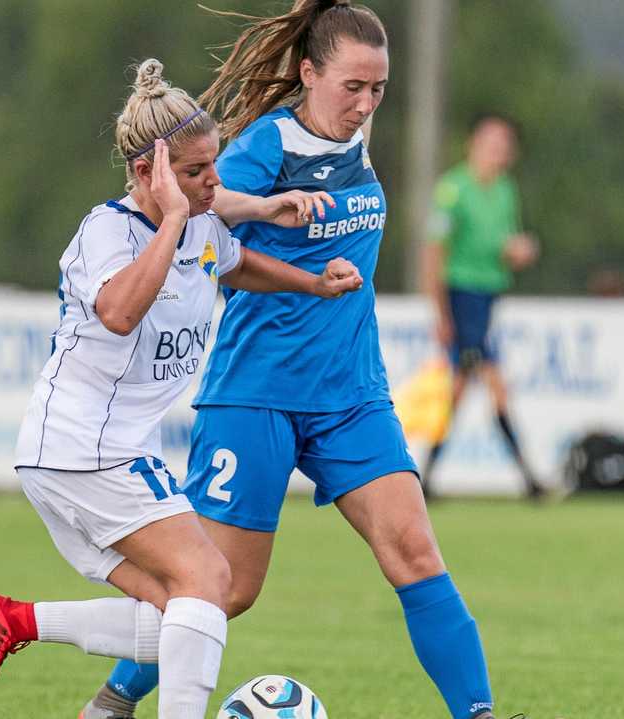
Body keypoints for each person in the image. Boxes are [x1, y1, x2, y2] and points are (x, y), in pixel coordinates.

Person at [96, 3, 506, 719]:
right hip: (256, 391)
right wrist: (266, 202)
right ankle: (109, 703)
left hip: (352, 393)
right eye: (352, 86)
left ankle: (479, 714)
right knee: (224, 588)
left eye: (378, 89)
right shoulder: (267, 143)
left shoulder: (357, 141)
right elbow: (201, 204)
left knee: (414, 550)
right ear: (309, 72)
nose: (366, 103)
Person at [0, 59, 363, 718]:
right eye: (195, 170)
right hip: (85, 447)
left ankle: (8, 619)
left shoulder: (201, 224)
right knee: (208, 578)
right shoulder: (106, 231)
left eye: (213, 167)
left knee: (187, 607)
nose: (212, 183)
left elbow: (236, 263)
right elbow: (119, 311)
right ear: (147, 171)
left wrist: (311, 282)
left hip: (90, 452)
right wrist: (174, 219)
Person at [419, 113, 542, 499]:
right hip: (462, 296)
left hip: (488, 298)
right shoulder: (453, 189)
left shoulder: (505, 190)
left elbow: (502, 243)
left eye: (504, 147)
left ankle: (427, 476)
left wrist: (517, 251)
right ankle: (529, 479)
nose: (499, 154)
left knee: (460, 387)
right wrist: (439, 311)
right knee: (490, 384)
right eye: (492, 145)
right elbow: (435, 251)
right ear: (474, 145)